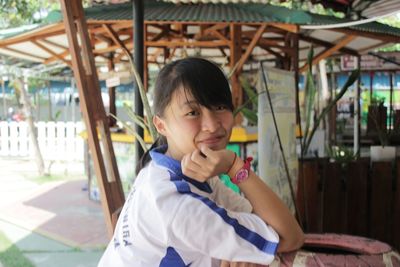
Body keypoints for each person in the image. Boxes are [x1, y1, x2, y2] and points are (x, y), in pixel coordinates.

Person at [98, 58, 304, 267]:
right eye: (193, 112)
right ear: (161, 125)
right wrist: (234, 166)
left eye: (220, 106)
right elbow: (290, 236)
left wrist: (246, 247)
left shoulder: (169, 170)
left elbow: (267, 222)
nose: (212, 125)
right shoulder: (175, 202)